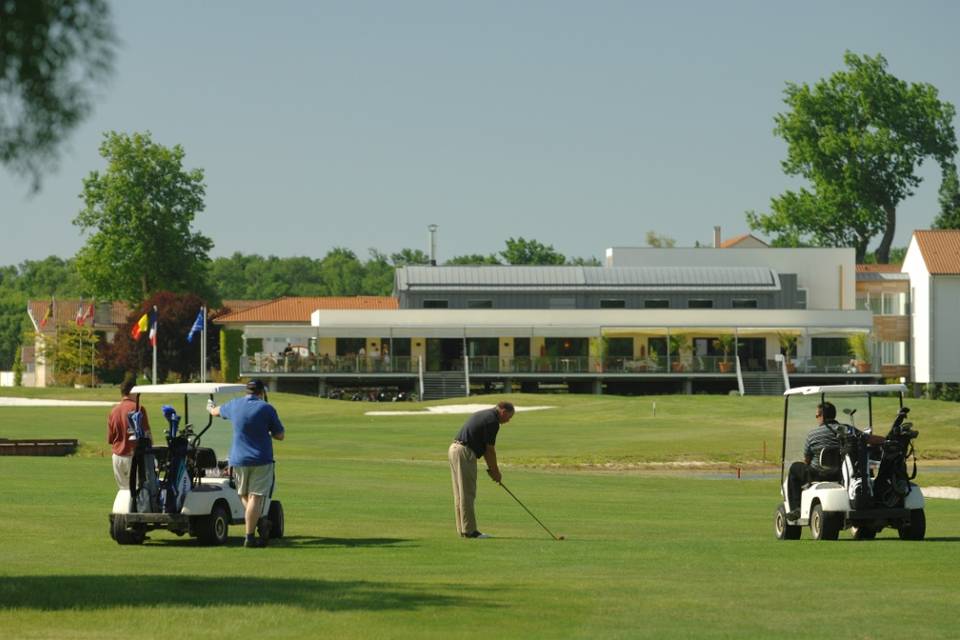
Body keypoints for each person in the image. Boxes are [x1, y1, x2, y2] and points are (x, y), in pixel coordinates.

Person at [209, 379, 285, 547]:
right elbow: (280, 435)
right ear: (261, 392)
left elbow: (215, 412)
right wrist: (267, 431)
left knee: (244, 496)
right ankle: (250, 536)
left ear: (247, 391)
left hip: (238, 459)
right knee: (255, 498)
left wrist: (210, 407)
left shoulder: (235, 405)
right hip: (261, 459)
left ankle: (258, 523)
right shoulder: (266, 408)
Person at [785, 402, 881, 519]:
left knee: (795, 468)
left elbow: (807, 460)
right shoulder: (847, 429)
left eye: (817, 416)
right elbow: (869, 439)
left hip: (818, 474)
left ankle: (796, 508)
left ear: (822, 416)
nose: (816, 418)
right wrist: (887, 440)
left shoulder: (813, 435)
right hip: (843, 474)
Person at [448, 401, 515, 538]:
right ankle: (470, 531)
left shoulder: (485, 414)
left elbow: (485, 449)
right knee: (467, 493)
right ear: (503, 411)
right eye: (509, 417)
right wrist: (495, 472)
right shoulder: (492, 421)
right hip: (464, 452)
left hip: (454, 449)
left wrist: (492, 470)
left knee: (460, 494)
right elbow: (490, 450)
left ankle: (463, 529)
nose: (508, 420)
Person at [107, 377, 151, 490]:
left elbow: (111, 438)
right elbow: (147, 435)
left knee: (124, 492)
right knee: (138, 492)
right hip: (134, 456)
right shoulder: (138, 409)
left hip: (117, 457)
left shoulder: (113, 411)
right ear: (133, 392)